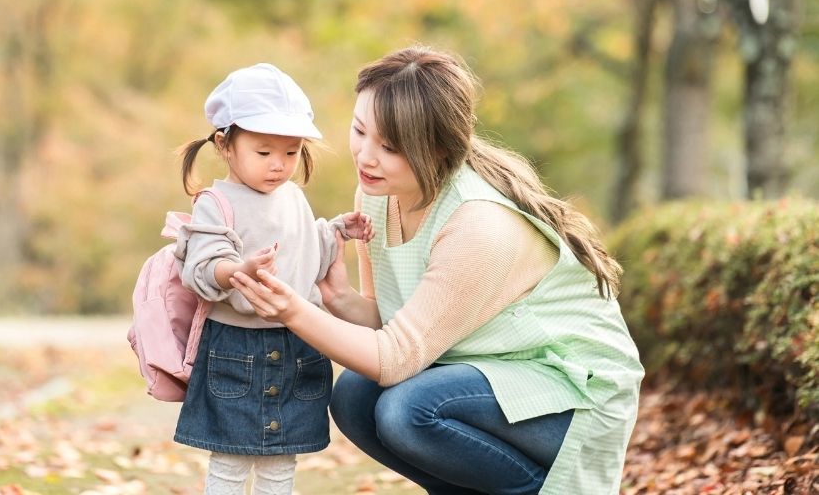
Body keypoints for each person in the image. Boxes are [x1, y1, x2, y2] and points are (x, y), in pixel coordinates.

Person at [230, 46, 645, 495]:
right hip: (483, 371)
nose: (366, 156)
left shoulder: (479, 224)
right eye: (359, 131)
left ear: (438, 148)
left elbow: (393, 360)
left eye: (390, 147)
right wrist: (340, 300)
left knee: (408, 410)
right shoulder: (377, 191)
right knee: (354, 396)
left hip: (572, 391)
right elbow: (398, 327)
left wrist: (293, 312)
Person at [172, 63, 374, 495]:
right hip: (236, 348)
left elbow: (306, 252)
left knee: (281, 459)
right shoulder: (217, 201)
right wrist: (238, 270)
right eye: (264, 153)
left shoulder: (293, 198)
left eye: (291, 152)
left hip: (299, 340)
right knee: (230, 458)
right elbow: (202, 268)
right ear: (225, 145)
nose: (279, 166)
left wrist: (337, 229)